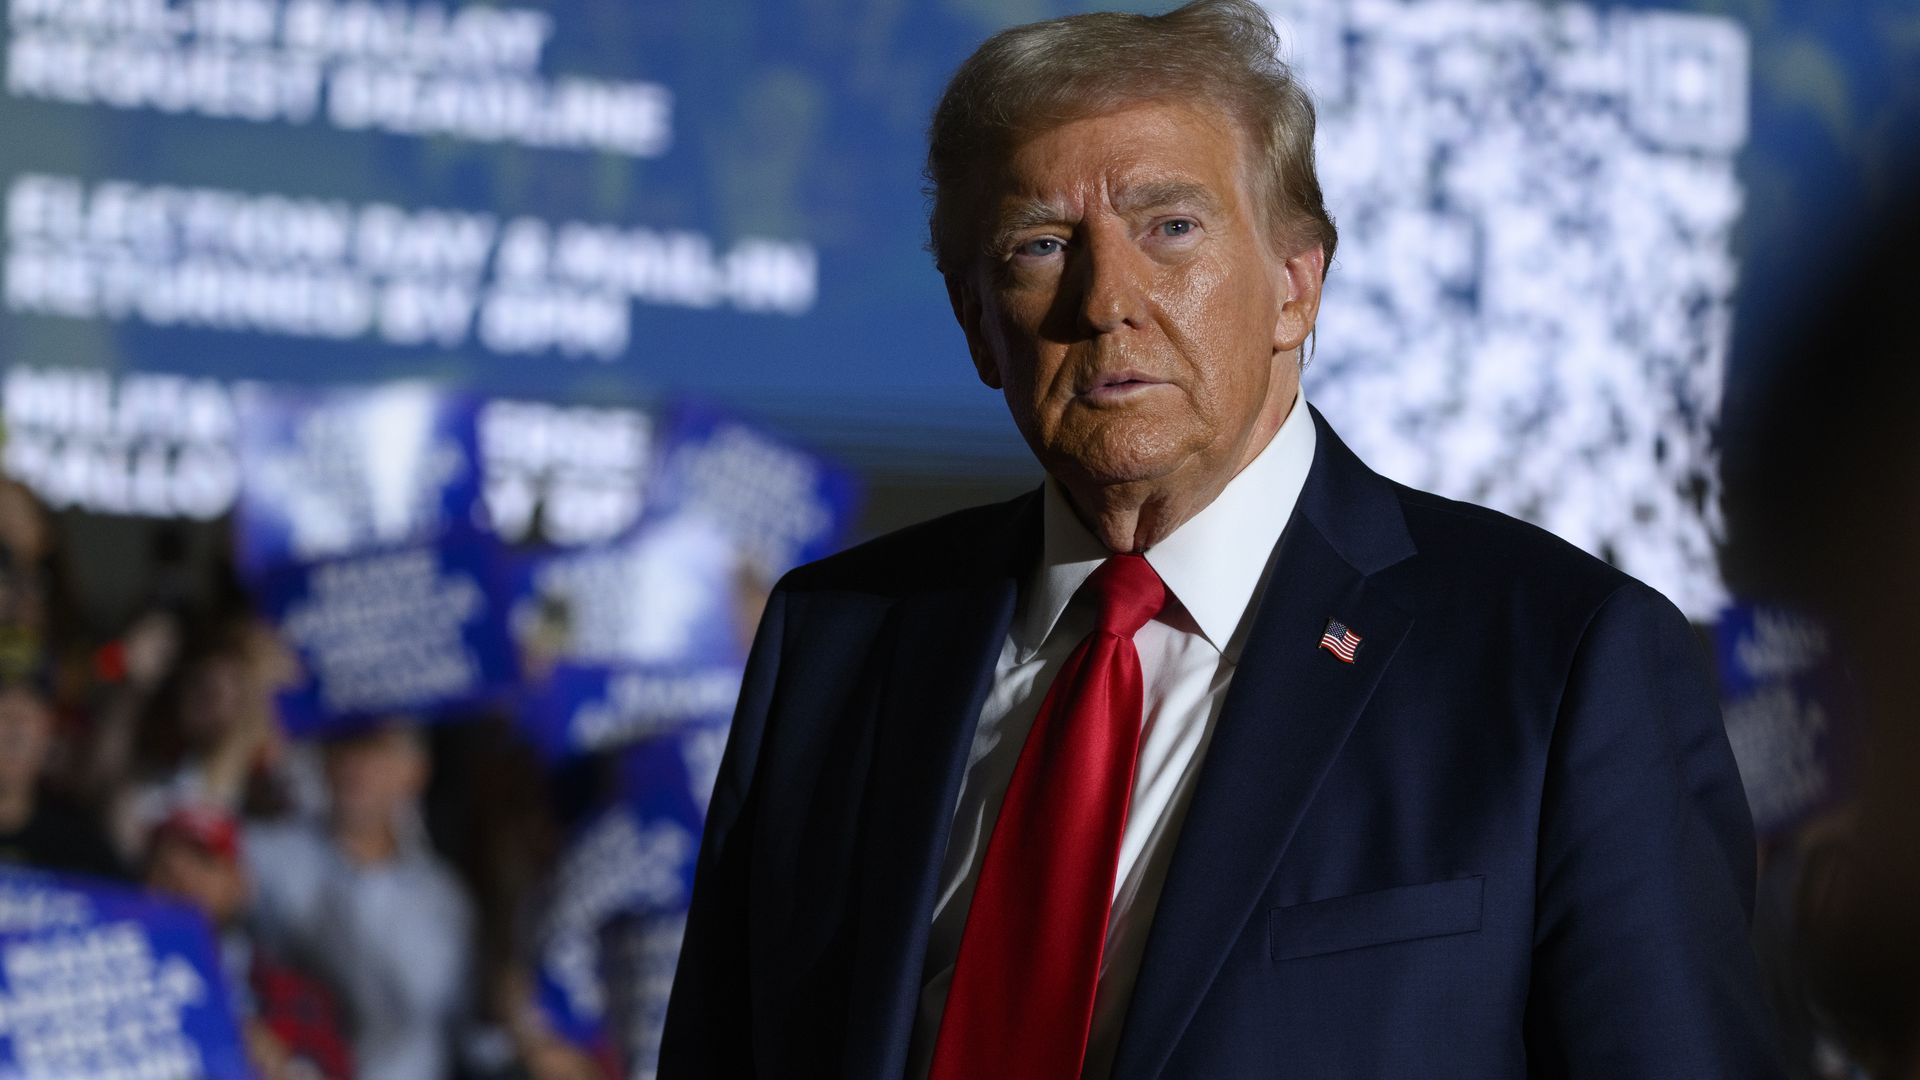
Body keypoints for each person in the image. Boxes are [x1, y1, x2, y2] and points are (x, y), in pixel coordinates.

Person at [661, 1, 1779, 1076]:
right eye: (1041, 245)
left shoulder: (1563, 662)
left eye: (1172, 228)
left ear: (1298, 286)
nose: (1107, 300)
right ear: (977, 327)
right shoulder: (837, 642)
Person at [246, 718, 476, 1080]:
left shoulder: (444, 899)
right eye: (343, 747)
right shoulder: (266, 855)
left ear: (414, 772)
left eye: (375, 751)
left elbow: (461, 1030)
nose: (354, 765)